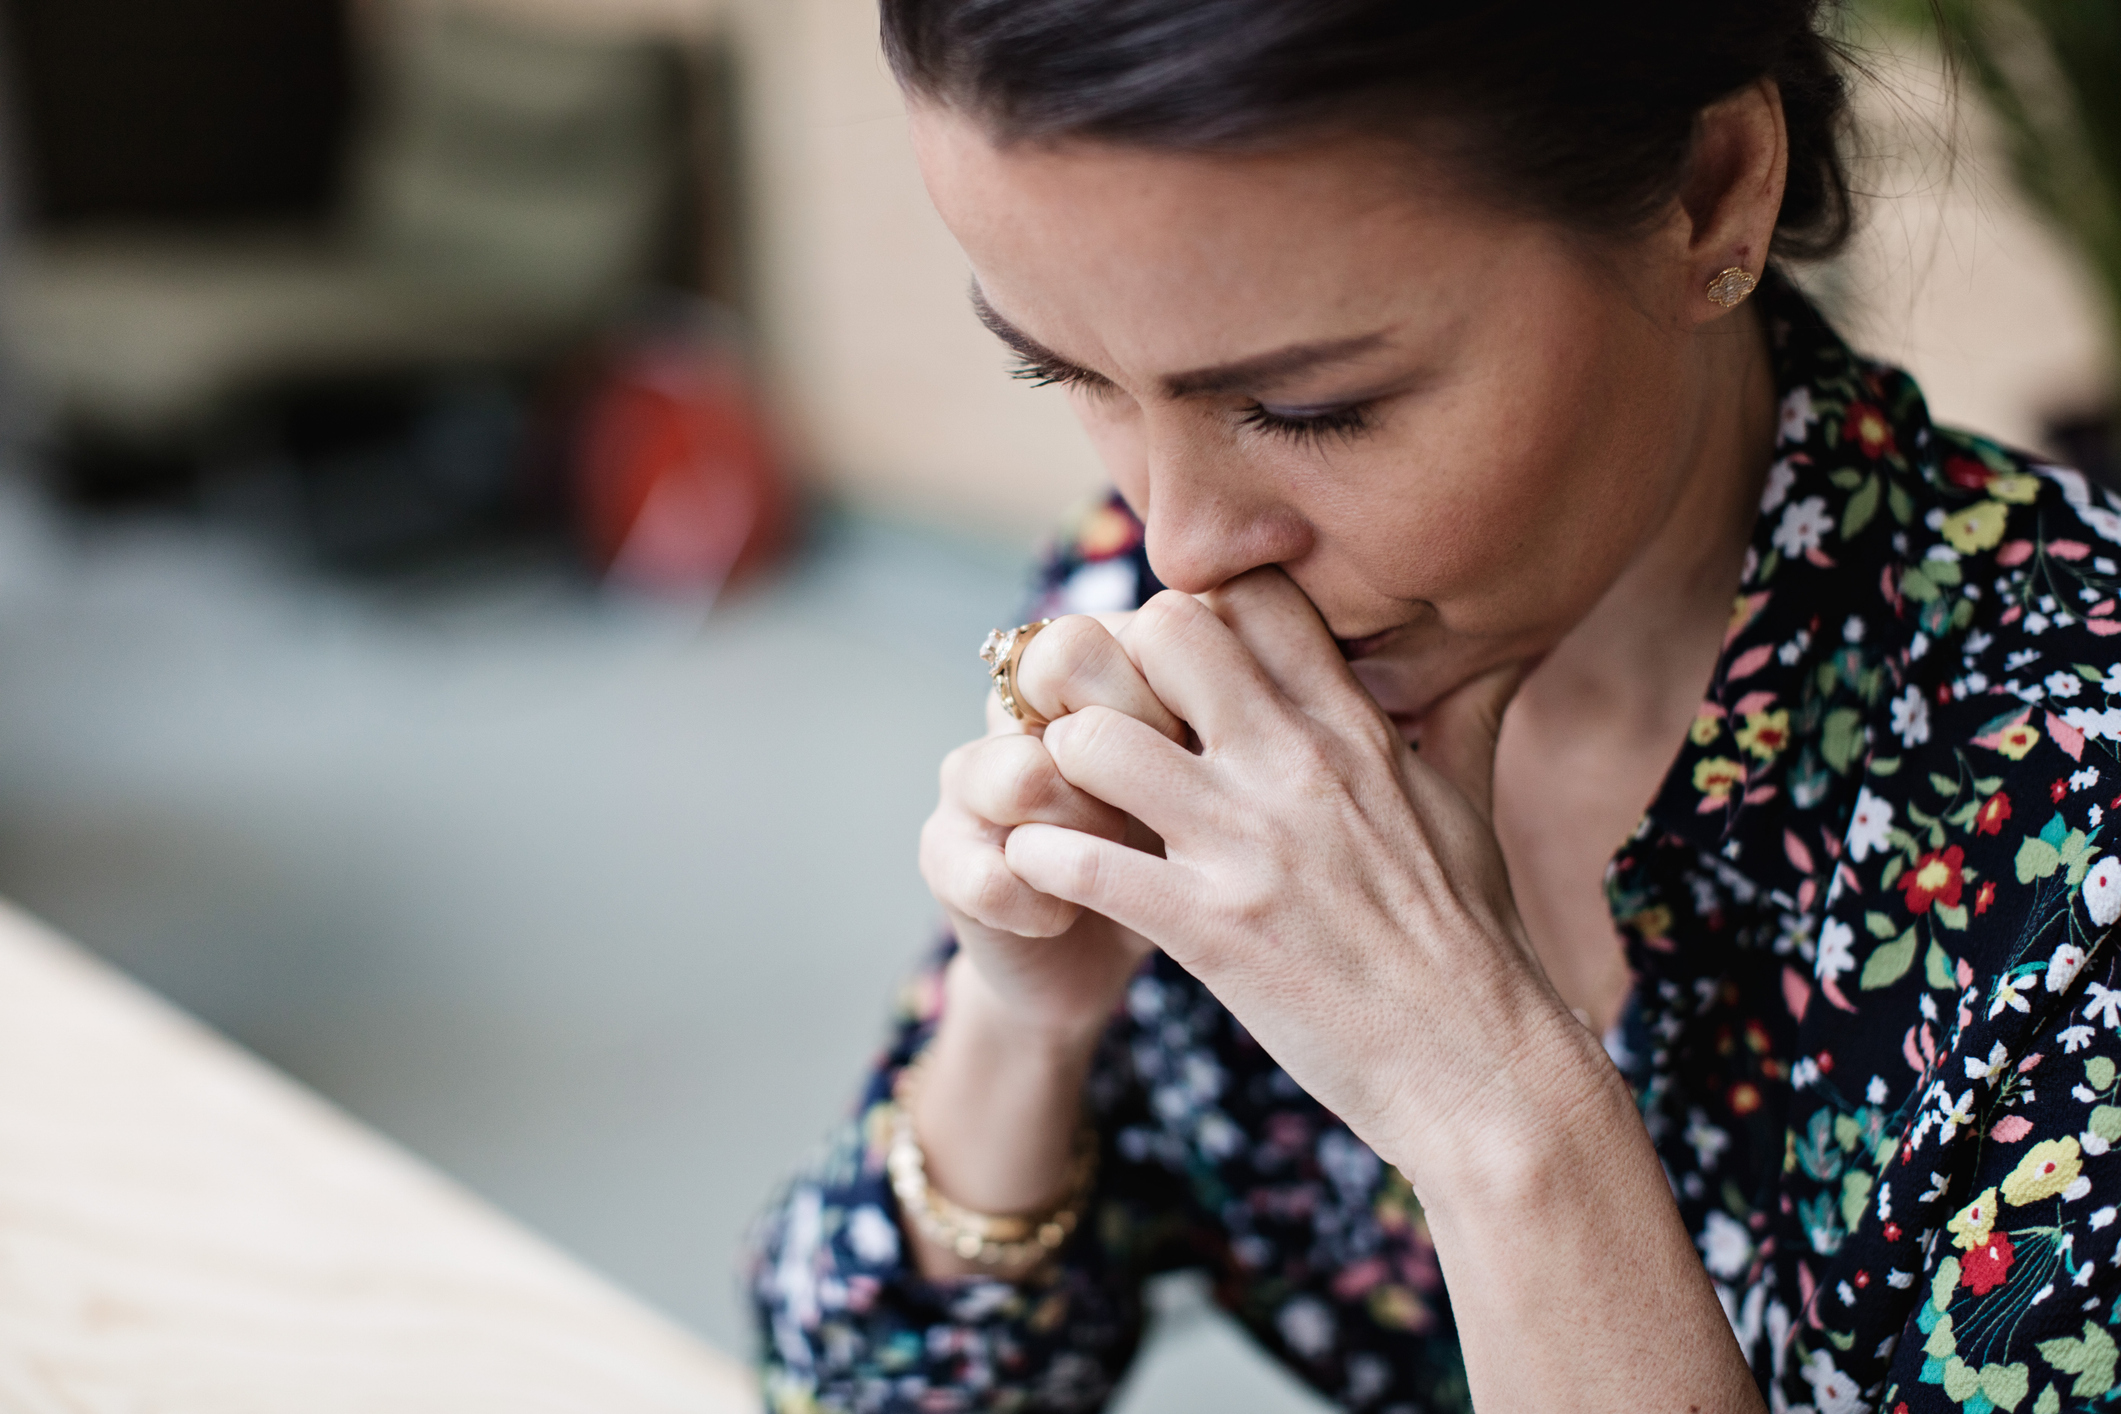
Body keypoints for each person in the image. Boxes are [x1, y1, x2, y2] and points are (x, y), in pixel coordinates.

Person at [749, 3, 2121, 1410]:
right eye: (1068, 372)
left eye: (1311, 407)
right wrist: (1019, 1023)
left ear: (1709, 194)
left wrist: (1489, 1104)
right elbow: (859, 1382)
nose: (1180, 540)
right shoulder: (1155, 613)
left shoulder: (2076, 825)